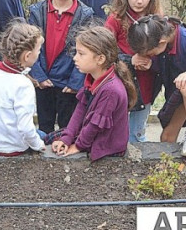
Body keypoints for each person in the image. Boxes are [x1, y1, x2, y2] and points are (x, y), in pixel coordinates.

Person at [28, 0, 94, 134]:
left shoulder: (84, 14)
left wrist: (75, 82)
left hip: (68, 83)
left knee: (67, 126)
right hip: (44, 81)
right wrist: (38, 76)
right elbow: (30, 45)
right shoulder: (37, 11)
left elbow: (85, 49)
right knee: (45, 124)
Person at [51, 27, 136, 161]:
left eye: (81, 54)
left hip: (106, 145)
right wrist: (67, 137)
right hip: (93, 135)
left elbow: (95, 126)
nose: (75, 58)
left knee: (48, 141)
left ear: (100, 59)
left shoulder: (110, 90)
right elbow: (81, 109)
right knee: (51, 138)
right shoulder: (93, 77)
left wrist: (78, 146)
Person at [105, 0, 162, 143]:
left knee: (137, 134)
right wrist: (130, 60)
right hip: (120, 85)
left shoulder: (158, 19)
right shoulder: (116, 18)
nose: (139, 1)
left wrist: (152, 63)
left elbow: (165, 53)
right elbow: (105, 51)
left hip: (146, 86)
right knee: (115, 133)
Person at [127, 15, 186, 156]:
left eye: (150, 54)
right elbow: (169, 67)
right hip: (182, 96)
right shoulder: (162, 39)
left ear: (161, 42)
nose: (148, 56)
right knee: (166, 139)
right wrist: (152, 64)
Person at [0, 19, 46, 156]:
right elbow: (26, 129)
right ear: (27, 56)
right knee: (45, 136)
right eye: (38, 50)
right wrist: (38, 145)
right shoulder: (23, 85)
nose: (39, 54)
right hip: (10, 146)